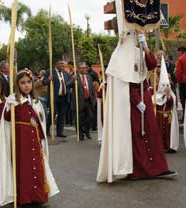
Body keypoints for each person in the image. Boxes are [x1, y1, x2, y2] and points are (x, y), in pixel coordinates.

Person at [97, 0, 176, 183]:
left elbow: (151, 65)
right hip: (130, 104)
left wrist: (145, 45)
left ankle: (157, 167)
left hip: (144, 98)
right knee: (134, 136)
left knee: (151, 132)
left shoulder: (139, 51)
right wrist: (135, 100)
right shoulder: (119, 56)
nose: (138, 35)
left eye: (139, 34)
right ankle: (137, 170)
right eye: (136, 33)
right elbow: (123, 81)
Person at [0, 69, 59, 207]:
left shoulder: (35, 101)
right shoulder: (13, 100)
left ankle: (39, 196)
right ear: (17, 84)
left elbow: (40, 122)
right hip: (21, 141)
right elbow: (6, 120)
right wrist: (9, 107)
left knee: (37, 167)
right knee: (24, 168)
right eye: (22, 82)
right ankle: (24, 197)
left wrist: (42, 138)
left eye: (29, 82)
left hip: (34, 139)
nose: (26, 85)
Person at [153, 56, 179, 153]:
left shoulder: (171, 95)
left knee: (167, 132)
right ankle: (159, 147)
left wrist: (167, 96)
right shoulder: (155, 95)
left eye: (167, 85)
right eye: (163, 85)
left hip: (168, 116)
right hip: (159, 117)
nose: (165, 87)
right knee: (159, 132)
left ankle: (168, 145)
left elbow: (171, 102)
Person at [43, 59, 74, 138]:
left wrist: (74, 79)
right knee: (52, 115)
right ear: (56, 64)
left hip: (64, 97)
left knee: (62, 115)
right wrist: (48, 79)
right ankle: (46, 131)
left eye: (63, 64)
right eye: (61, 64)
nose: (62, 65)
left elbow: (71, 81)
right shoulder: (50, 72)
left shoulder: (65, 73)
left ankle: (60, 132)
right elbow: (44, 82)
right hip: (54, 97)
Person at [76, 62, 96, 140]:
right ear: (79, 69)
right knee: (80, 118)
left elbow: (91, 89)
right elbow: (68, 84)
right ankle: (80, 133)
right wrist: (73, 79)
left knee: (90, 117)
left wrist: (93, 99)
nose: (85, 69)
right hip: (80, 101)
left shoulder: (89, 77)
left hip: (89, 100)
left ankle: (87, 131)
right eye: (83, 68)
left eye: (85, 67)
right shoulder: (76, 77)